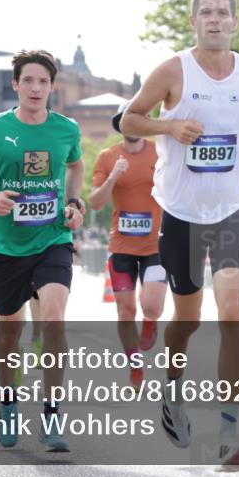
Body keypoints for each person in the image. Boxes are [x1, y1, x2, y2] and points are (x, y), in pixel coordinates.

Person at [121, 0, 239, 470]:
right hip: (182, 213)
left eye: (223, 13)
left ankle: (229, 434)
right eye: (205, 13)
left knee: (233, 313)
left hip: (231, 209)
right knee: (187, 322)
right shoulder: (171, 70)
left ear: (235, 21)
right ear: (192, 22)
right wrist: (168, 127)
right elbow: (129, 120)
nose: (214, 20)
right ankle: (173, 392)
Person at [0, 49, 85, 453]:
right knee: (9, 334)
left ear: (52, 86)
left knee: (53, 318)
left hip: (53, 239)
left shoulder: (67, 129)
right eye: (27, 80)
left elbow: (76, 167)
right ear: (15, 84)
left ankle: (51, 415)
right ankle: (9, 402)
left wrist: (75, 204)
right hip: (7, 246)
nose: (35, 88)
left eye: (43, 82)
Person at [90, 100, 166, 390]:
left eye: (139, 118)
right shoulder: (108, 157)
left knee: (153, 305)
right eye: (127, 119)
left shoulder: (160, 152)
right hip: (121, 247)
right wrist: (114, 176)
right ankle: (134, 365)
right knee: (124, 311)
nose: (133, 124)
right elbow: (96, 202)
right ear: (120, 124)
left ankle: (150, 321)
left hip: (156, 246)